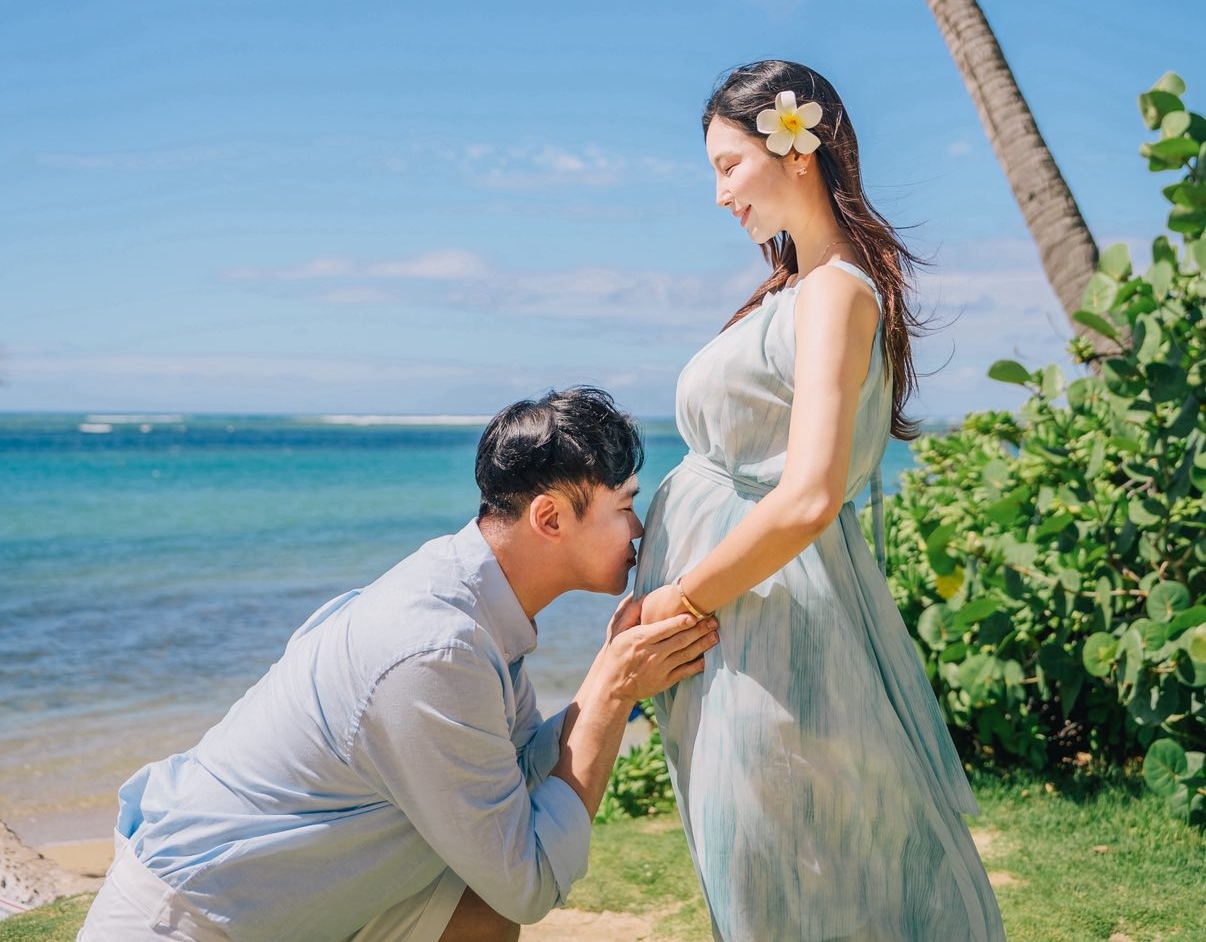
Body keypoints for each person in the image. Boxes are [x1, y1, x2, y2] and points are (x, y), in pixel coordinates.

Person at [78, 387, 718, 942]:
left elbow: (521, 769)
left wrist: (609, 673)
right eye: (625, 505)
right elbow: (529, 882)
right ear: (550, 518)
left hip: (260, 907)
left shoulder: (472, 600)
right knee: (495, 899)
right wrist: (611, 692)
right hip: (190, 922)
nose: (638, 530)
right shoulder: (437, 649)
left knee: (476, 913)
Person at [634, 60, 1006, 942]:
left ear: (796, 149)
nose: (722, 197)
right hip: (748, 618)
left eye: (729, 167)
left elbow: (807, 498)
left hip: (770, 622)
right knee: (774, 874)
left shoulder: (836, 293)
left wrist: (674, 600)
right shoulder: (798, 292)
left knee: (794, 875)